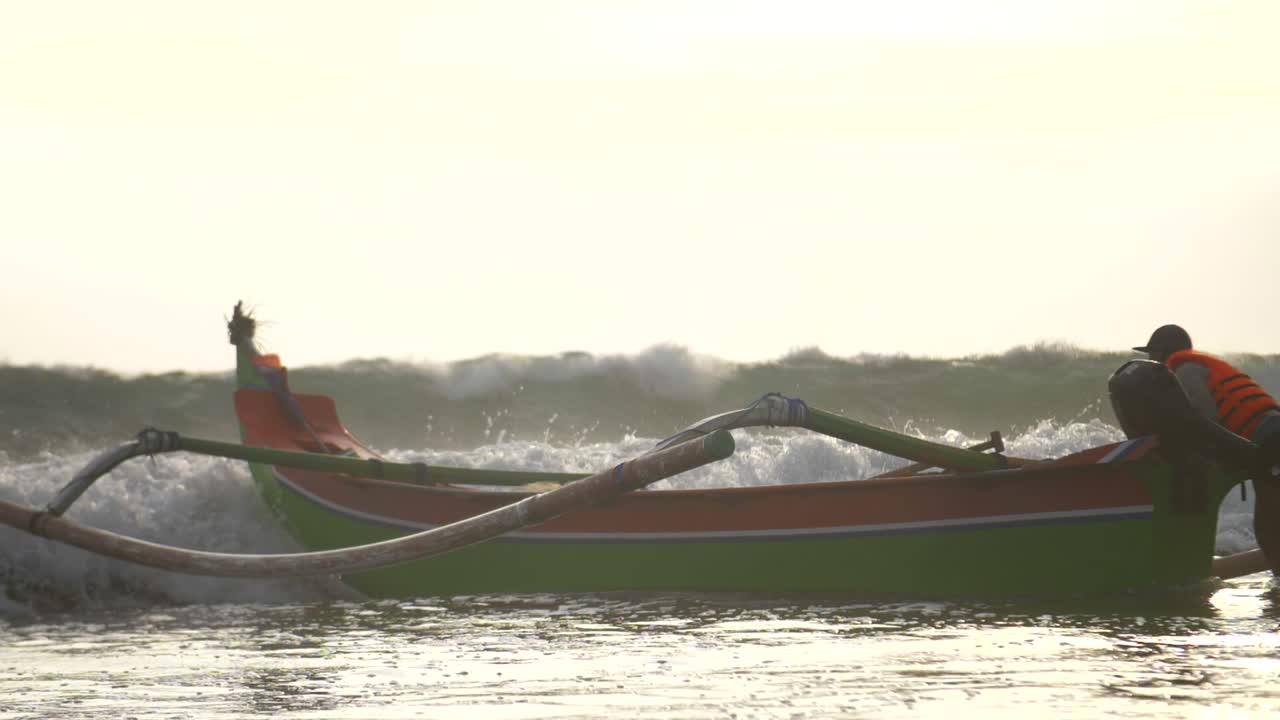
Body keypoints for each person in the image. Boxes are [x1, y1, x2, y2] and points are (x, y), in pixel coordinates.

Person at [1134, 324, 1280, 573]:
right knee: (1270, 511)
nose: (1150, 360)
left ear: (1162, 353)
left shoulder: (1184, 369)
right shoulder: (1201, 364)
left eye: (1152, 354)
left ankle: (1277, 578)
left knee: (1268, 517)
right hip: (1267, 433)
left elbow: (1203, 416)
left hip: (1269, 436)